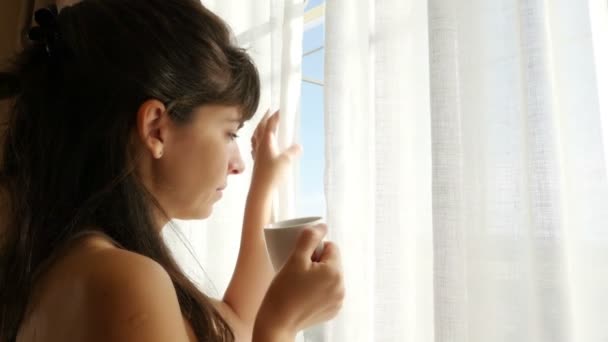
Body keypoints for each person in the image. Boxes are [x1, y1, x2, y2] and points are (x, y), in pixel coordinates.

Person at [0, 0, 344, 341]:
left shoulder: (79, 265)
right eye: (229, 132)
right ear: (156, 129)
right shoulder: (122, 280)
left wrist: (264, 184)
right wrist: (281, 328)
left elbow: (238, 323)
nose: (238, 163)